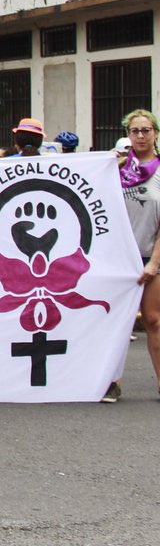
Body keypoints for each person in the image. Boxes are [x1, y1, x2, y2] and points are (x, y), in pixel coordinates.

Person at [106, 109, 160, 403]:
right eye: (135, 131)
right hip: (118, 258)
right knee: (115, 322)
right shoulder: (114, 168)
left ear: (155, 133)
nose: (140, 136)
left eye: (146, 130)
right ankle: (110, 382)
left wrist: (154, 262)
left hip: (151, 255)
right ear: (128, 135)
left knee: (153, 320)